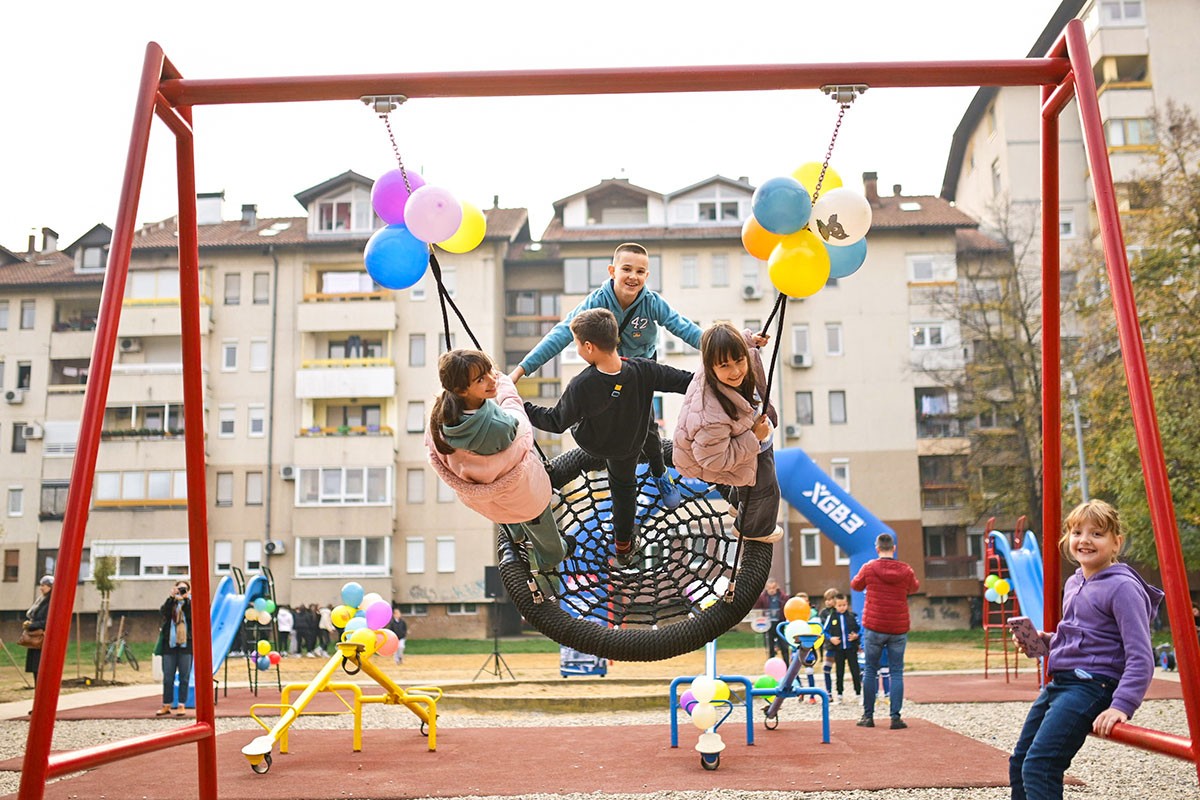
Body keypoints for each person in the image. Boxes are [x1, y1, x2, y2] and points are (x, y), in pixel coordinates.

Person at [510, 242, 702, 511]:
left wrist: (724, 348)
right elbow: (562, 333)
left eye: (640, 271)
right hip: (605, 367)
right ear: (612, 271)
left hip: (641, 369)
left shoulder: (651, 303)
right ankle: (605, 453)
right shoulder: (597, 302)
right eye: (626, 269)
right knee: (599, 408)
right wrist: (522, 369)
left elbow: (685, 329)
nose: (633, 276)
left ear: (647, 276)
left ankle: (659, 473)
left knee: (645, 422)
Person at [1009, 499, 1163, 800]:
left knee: (1041, 765)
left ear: (1116, 542)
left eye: (1097, 534)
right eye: (1077, 532)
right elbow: (1083, 637)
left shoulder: (1123, 588)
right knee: (1019, 761)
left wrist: (1121, 705)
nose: (1085, 540)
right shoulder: (1076, 581)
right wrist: (1045, 641)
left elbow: (1141, 655)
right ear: (1068, 539)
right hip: (1064, 682)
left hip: (1093, 685)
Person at [524, 308, 693, 567]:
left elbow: (556, 421)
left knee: (639, 423)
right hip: (629, 444)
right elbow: (687, 382)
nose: (578, 350)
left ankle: (658, 472)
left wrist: (522, 409)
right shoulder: (644, 369)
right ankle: (624, 546)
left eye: (577, 345)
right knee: (624, 487)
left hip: (595, 442)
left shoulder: (582, 385)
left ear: (589, 347)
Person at [427, 349, 567, 574]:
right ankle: (549, 558)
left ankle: (516, 532)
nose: (492, 380)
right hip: (524, 496)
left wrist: (488, 382)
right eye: (481, 379)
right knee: (550, 544)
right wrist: (506, 386)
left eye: (490, 371)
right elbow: (519, 421)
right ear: (462, 389)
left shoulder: (441, 416)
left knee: (508, 512)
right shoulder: (499, 429)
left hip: (488, 499)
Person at [672, 321, 781, 544]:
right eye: (725, 366)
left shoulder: (714, 362)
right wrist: (754, 437)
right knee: (764, 490)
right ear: (711, 366)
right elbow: (715, 459)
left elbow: (729, 346)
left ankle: (736, 502)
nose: (736, 371)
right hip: (711, 456)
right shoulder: (710, 416)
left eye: (740, 360)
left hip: (731, 439)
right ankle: (752, 529)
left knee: (750, 471)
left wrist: (749, 340)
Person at [851, 532, 919, 729]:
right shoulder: (906, 570)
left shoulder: (869, 567)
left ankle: (868, 716)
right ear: (894, 548)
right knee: (896, 671)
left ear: (877, 548)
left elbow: (856, 585)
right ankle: (895, 717)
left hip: (874, 626)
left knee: (871, 670)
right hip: (897, 627)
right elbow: (914, 587)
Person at [156, 580, 193, 717]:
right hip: (169, 645)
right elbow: (163, 613)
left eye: (184, 589)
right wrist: (172, 598)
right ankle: (167, 704)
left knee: (184, 677)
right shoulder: (170, 604)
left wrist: (186, 600)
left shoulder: (190, 605)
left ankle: (182, 705)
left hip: (186, 645)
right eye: (179, 589)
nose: (181, 591)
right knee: (168, 677)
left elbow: (191, 616)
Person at [825, 593, 863, 704]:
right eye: (840, 605)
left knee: (855, 671)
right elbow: (825, 631)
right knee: (839, 672)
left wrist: (856, 635)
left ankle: (858, 694)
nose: (842, 608)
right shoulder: (831, 617)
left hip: (851, 648)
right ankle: (840, 695)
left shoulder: (852, 616)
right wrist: (831, 638)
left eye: (844, 605)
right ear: (835, 606)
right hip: (838, 649)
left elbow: (860, 629)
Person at [24, 575, 53, 687]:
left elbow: (47, 621)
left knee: (39, 667)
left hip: (42, 639)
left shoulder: (50, 602)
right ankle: (38, 690)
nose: (41, 588)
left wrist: (31, 625)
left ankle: (41, 690)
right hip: (36, 640)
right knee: (36, 668)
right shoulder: (42, 600)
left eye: (43, 585)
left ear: (50, 587)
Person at [753, 577, 788, 661]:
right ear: (766, 588)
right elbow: (757, 609)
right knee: (770, 649)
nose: (772, 590)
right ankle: (771, 665)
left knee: (784, 648)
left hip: (780, 624)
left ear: (777, 587)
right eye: (769, 588)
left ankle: (787, 666)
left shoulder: (783, 597)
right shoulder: (762, 598)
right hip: (768, 625)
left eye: (773, 588)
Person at [818, 587, 839, 697]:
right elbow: (822, 629)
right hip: (830, 645)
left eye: (830, 599)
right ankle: (829, 692)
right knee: (827, 668)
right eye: (826, 599)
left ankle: (841, 692)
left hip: (841, 646)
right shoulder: (823, 613)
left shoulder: (839, 611)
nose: (827, 601)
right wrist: (829, 638)